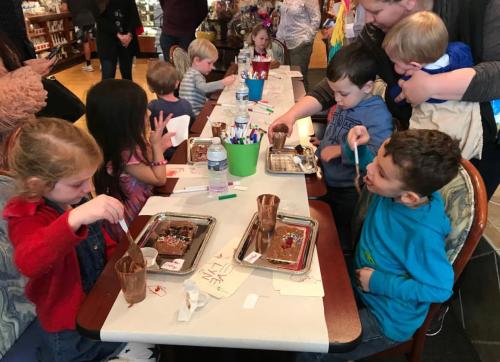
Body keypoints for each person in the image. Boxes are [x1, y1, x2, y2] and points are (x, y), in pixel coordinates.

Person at [270, 0, 500, 200]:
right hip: (414, 146)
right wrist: (292, 115)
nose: (368, 20)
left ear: (408, 2)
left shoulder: (478, 8)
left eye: (376, 11)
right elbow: (345, 77)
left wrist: (433, 86)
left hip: (471, 148)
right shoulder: (378, 31)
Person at [2, 117, 160, 361]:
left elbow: (101, 243)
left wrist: (124, 264)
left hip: (98, 303)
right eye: (78, 183)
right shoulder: (26, 214)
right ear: (37, 184)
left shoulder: (74, 200)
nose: (88, 188)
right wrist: (73, 219)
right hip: (68, 330)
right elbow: (29, 260)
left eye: (89, 178)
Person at [299, 127, 460, 361]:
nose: (370, 169)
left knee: (312, 348)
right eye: (376, 159)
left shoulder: (422, 233)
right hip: (359, 285)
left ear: (409, 197)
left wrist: (378, 282)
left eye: (381, 172)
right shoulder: (396, 189)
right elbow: (379, 170)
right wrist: (359, 149)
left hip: (385, 316)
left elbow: (440, 289)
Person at [313, 41, 393, 251]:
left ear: (367, 86)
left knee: (338, 241)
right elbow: (337, 129)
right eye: (334, 92)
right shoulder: (348, 102)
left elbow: (378, 155)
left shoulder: (377, 114)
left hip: (349, 192)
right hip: (327, 180)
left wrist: (341, 150)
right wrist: (324, 144)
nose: (337, 99)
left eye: (343, 93)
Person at [383, 11, 483, 160]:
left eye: (395, 63)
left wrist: (395, 91)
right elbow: (458, 49)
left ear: (414, 65)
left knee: (424, 153)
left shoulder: (413, 76)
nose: (395, 68)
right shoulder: (460, 53)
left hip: (435, 126)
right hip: (466, 127)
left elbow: (398, 97)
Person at [86, 79, 174, 241]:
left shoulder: (125, 143)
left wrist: (158, 148)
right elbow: (159, 178)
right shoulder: (124, 153)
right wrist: (155, 146)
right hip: (134, 222)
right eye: (142, 110)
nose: (148, 113)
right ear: (124, 119)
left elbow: (148, 162)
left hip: (145, 206)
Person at [146, 60, 195, 159]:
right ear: (177, 84)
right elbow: (192, 124)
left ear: (150, 88)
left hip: (163, 152)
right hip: (186, 149)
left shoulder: (152, 106)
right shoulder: (186, 104)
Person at [179, 38, 235, 116]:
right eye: (209, 63)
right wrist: (223, 82)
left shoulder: (190, 72)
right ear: (197, 60)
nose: (213, 67)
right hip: (193, 114)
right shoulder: (195, 75)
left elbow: (199, 93)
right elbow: (204, 88)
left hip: (189, 112)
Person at [276, 0, 321, 90]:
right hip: (284, 42)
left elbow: (316, 19)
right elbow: (284, 18)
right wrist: (278, 38)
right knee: (286, 77)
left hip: (300, 44)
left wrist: (306, 39)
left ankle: (305, 102)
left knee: (299, 79)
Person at [94, 0, 142, 80]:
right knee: (108, 77)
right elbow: (99, 18)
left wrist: (129, 34)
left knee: (127, 77)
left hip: (127, 39)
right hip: (107, 40)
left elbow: (133, 15)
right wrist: (117, 34)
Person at [61, 0, 98, 72]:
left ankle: (89, 65)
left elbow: (64, 8)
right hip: (91, 17)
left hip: (79, 19)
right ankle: (102, 64)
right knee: (96, 40)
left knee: (85, 42)